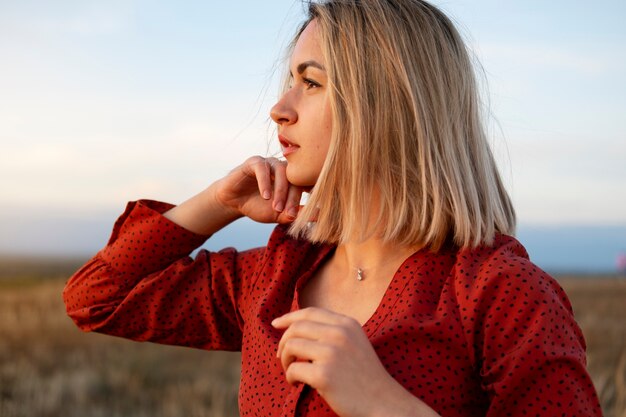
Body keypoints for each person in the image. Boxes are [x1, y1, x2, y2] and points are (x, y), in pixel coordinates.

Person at [63, 1, 602, 416]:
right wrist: (216, 203)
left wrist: (384, 404)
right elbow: (95, 298)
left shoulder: (502, 296)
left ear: (388, 103)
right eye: (288, 81)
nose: (279, 108)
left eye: (311, 83)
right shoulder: (274, 276)